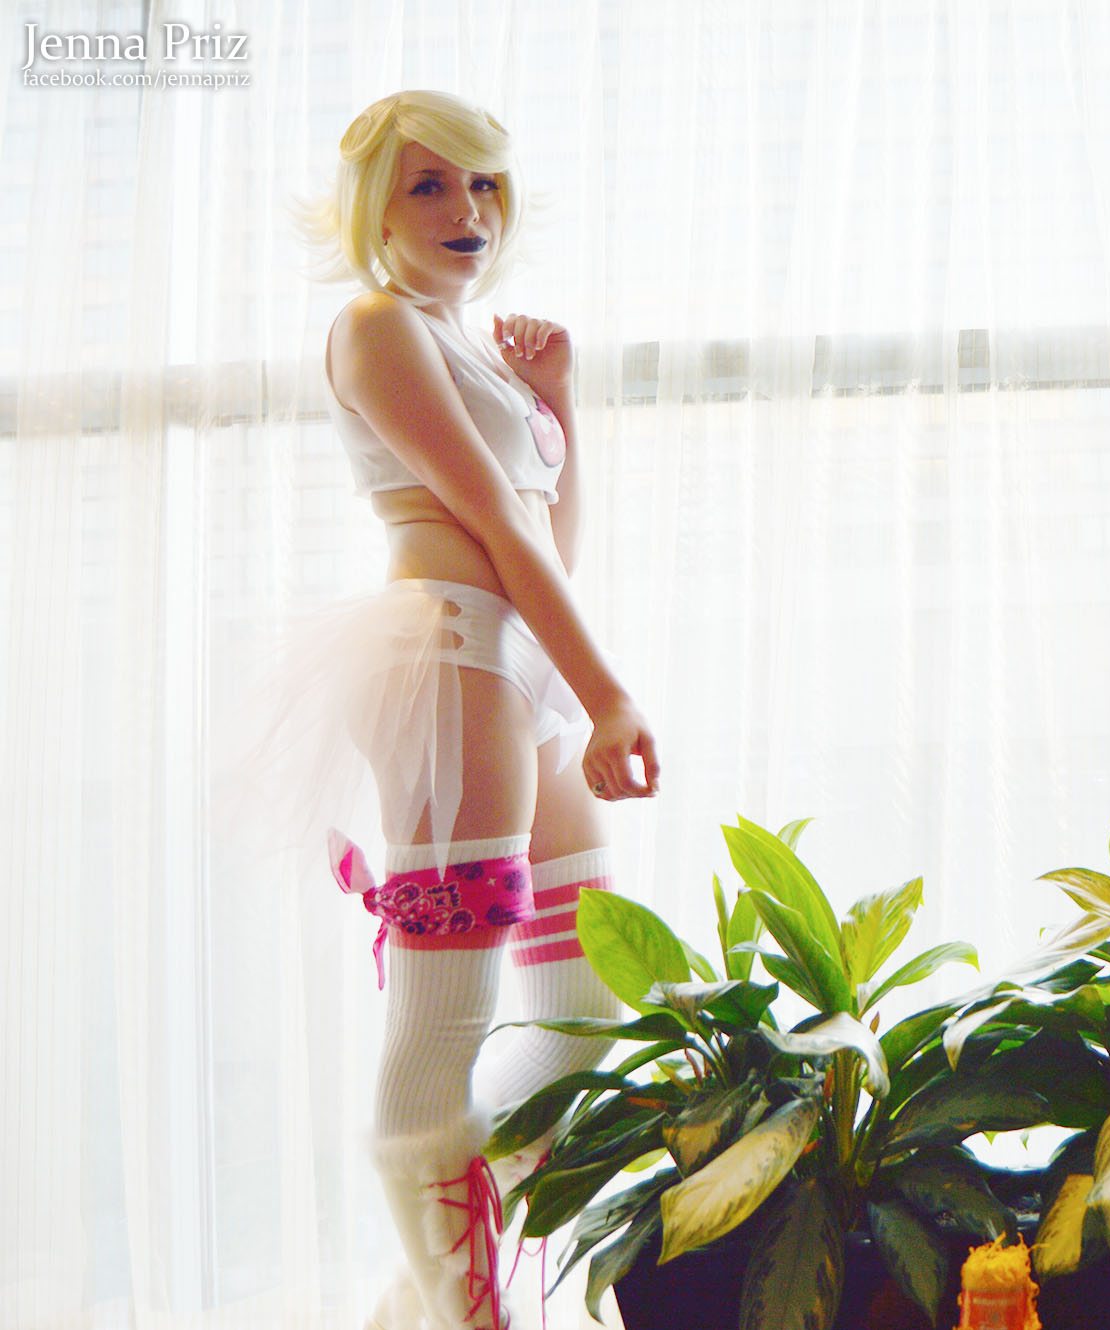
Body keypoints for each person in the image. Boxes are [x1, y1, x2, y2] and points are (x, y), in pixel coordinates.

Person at [305, 90, 659, 1330]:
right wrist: (607, 693)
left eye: (483, 185)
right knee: (442, 1023)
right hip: (452, 661)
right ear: (375, 210)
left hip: (519, 667)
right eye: (430, 186)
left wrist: (559, 401)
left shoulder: (465, 343)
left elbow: (545, 537)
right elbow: (496, 526)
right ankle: (463, 1308)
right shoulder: (376, 328)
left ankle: (425, 1284)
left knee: (588, 1013)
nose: (468, 211)